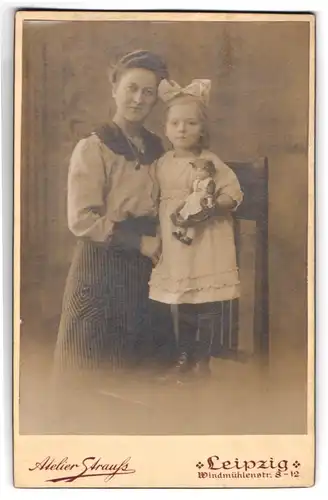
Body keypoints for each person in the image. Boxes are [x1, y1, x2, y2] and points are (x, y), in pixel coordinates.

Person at [53, 50, 175, 391]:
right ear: (114, 87)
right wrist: (139, 242)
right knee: (91, 380)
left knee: (141, 380)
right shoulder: (93, 148)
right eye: (131, 88)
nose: (138, 99)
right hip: (101, 269)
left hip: (145, 274)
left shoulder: (159, 149)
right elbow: (82, 219)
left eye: (148, 92)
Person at [149, 78, 243, 381]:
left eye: (190, 123)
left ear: (202, 129)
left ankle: (203, 360)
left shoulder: (210, 162)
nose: (182, 129)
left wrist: (213, 205)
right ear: (165, 128)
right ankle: (185, 357)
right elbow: (154, 203)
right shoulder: (161, 164)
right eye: (175, 123)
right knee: (183, 302)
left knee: (206, 301)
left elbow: (233, 194)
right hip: (178, 244)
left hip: (207, 243)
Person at [171, 158, 216, 245]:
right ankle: (180, 232)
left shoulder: (209, 182)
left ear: (209, 172)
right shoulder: (196, 181)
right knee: (183, 215)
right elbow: (193, 191)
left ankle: (189, 237)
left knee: (192, 220)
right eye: (196, 170)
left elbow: (210, 194)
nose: (198, 173)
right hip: (192, 201)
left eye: (201, 171)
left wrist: (209, 203)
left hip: (200, 202)